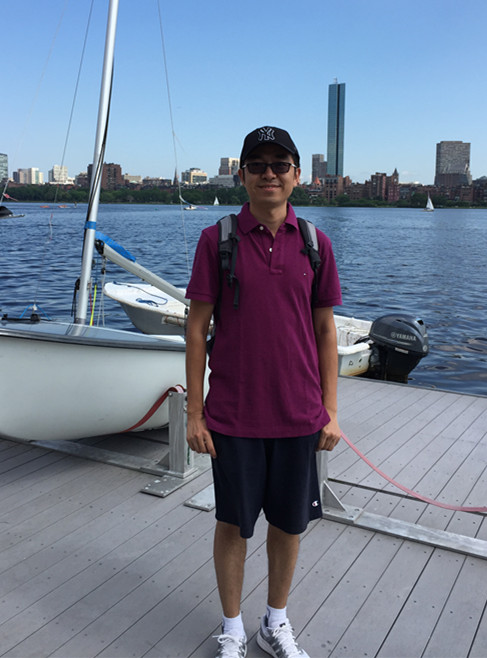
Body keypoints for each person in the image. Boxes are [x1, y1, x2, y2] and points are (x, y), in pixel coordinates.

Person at [185, 126, 342, 658]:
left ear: (297, 175)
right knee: (233, 523)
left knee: (289, 524)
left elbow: (325, 331)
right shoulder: (217, 240)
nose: (268, 174)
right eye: (257, 165)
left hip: (299, 414)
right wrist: (195, 413)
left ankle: (274, 623)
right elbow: (196, 330)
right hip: (234, 415)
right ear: (242, 175)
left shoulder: (315, 243)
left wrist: (330, 411)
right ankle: (232, 628)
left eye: (279, 164)